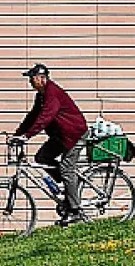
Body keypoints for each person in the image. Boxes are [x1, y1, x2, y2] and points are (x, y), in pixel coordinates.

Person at [14, 63, 89, 225]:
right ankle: (68, 187)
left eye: (31, 78)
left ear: (42, 78)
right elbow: (33, 117)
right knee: (42, 157)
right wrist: (18, 134)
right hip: (61, 136)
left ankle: (75, 211)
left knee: (67, 168)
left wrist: (27, 136)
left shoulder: (51, 93)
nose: (30, 82)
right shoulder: (40, 96)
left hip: (74, 134)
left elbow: (45, 117)